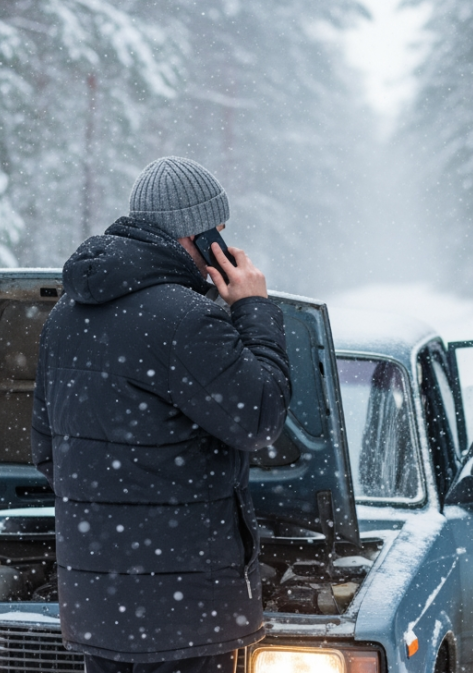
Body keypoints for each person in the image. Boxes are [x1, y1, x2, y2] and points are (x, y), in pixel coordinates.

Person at [31, 157, 291, 673]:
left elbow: (47, 452)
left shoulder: (65, 315)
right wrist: (253, 308)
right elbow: (261, 416)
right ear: (197, 235)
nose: (225, 240)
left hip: (99, 607)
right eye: (219, 229)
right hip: (185, 614)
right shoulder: (188, 318)